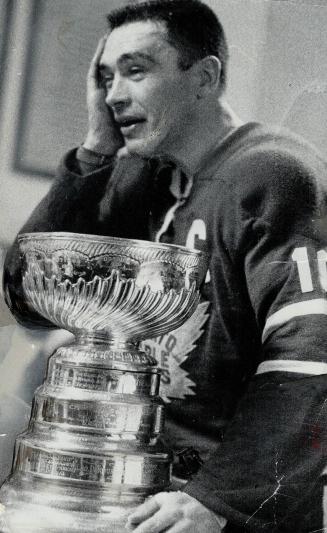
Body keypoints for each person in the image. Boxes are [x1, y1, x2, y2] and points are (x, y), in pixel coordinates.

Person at [4, 0, 327, 531]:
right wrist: (94, 149)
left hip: (225, 507)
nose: (113, 96)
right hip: (141, 488)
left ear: (204, 77)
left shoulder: (275, 173)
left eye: (136, 71)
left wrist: (217, 500)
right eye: (105, 78)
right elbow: (30, 300)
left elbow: (311, 357)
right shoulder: (142, 179)